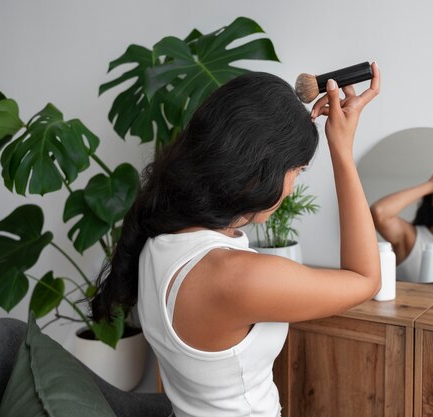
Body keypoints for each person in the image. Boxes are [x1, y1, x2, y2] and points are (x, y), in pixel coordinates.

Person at [90, 64, 381, 417]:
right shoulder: (236, 277)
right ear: (260, 170)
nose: (292, 188)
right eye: (297, 171)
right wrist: (343, 152)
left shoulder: (156, 238)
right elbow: (365, 279)